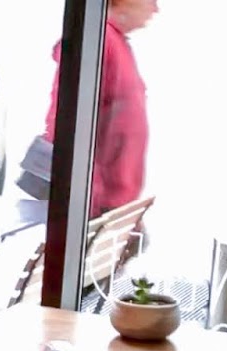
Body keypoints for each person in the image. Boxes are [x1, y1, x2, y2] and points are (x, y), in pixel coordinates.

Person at [43, 0, 157, 218]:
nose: (155, 9)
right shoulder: (96, 40)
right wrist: (86, 197)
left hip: (115, 203)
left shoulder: (115, 43)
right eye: (151, 1)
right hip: (94, 204)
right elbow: (66, 122)